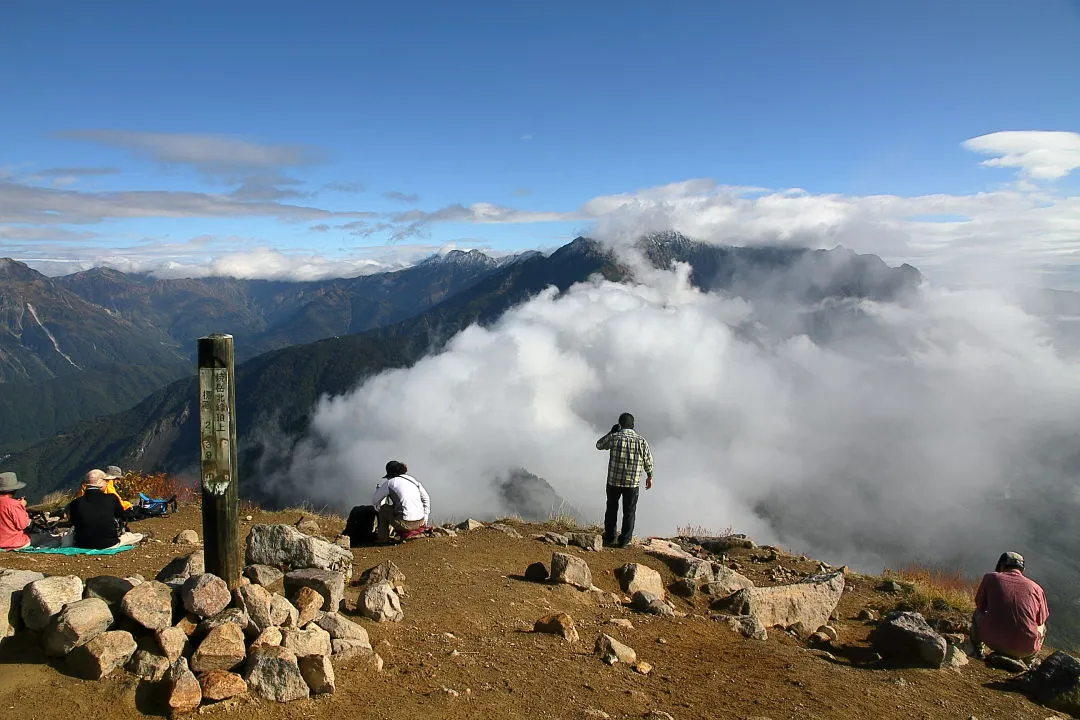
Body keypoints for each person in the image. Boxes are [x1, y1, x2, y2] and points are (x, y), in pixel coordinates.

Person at [971, 551, 1049, 668]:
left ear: (1001, 566)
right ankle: (1028, 663)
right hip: (1025, 649)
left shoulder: (990, 578)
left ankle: (978, 653)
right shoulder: (1037, 588)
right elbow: (1041, 619)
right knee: (1042, 626)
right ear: (1022, 569)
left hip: (992, 641)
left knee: (977, 613)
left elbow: (980, 605)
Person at [595, 412, 654, 548]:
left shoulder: (614, 438)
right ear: (633, 425)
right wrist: (650, 476)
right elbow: (648, 461)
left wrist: (611, 432)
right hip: (632, 483)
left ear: (620, 424)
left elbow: (599, 445)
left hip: (613, 481)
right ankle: (625, 540)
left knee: (611, 508)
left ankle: (609, 537)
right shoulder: (641, 441)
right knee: (629, 511)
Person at [66, 469, 143, 549]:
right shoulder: (112, 498)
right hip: (109, 543)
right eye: (105, 480)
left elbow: (73, 522)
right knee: (131, 536)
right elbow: (122, 516)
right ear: (100, 482)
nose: (106, 482)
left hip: (82, 544)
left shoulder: (75, 503)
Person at [371, 461, 430, 543]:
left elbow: (375, 500)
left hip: (405, 524)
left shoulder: (390, 483)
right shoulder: (413, 481)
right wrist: (425, 519)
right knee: (398, 508)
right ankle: (402, 534)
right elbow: (426, 499)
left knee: (384, 509)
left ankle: (383, 538)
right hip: (420, 522)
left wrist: (379, 491)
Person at [0, 472, 32, 550]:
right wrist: (21, 506)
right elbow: (23, 524)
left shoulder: (12, 504)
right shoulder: (14, 505)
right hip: (13, 543)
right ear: (14, 489)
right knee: (49, 539)